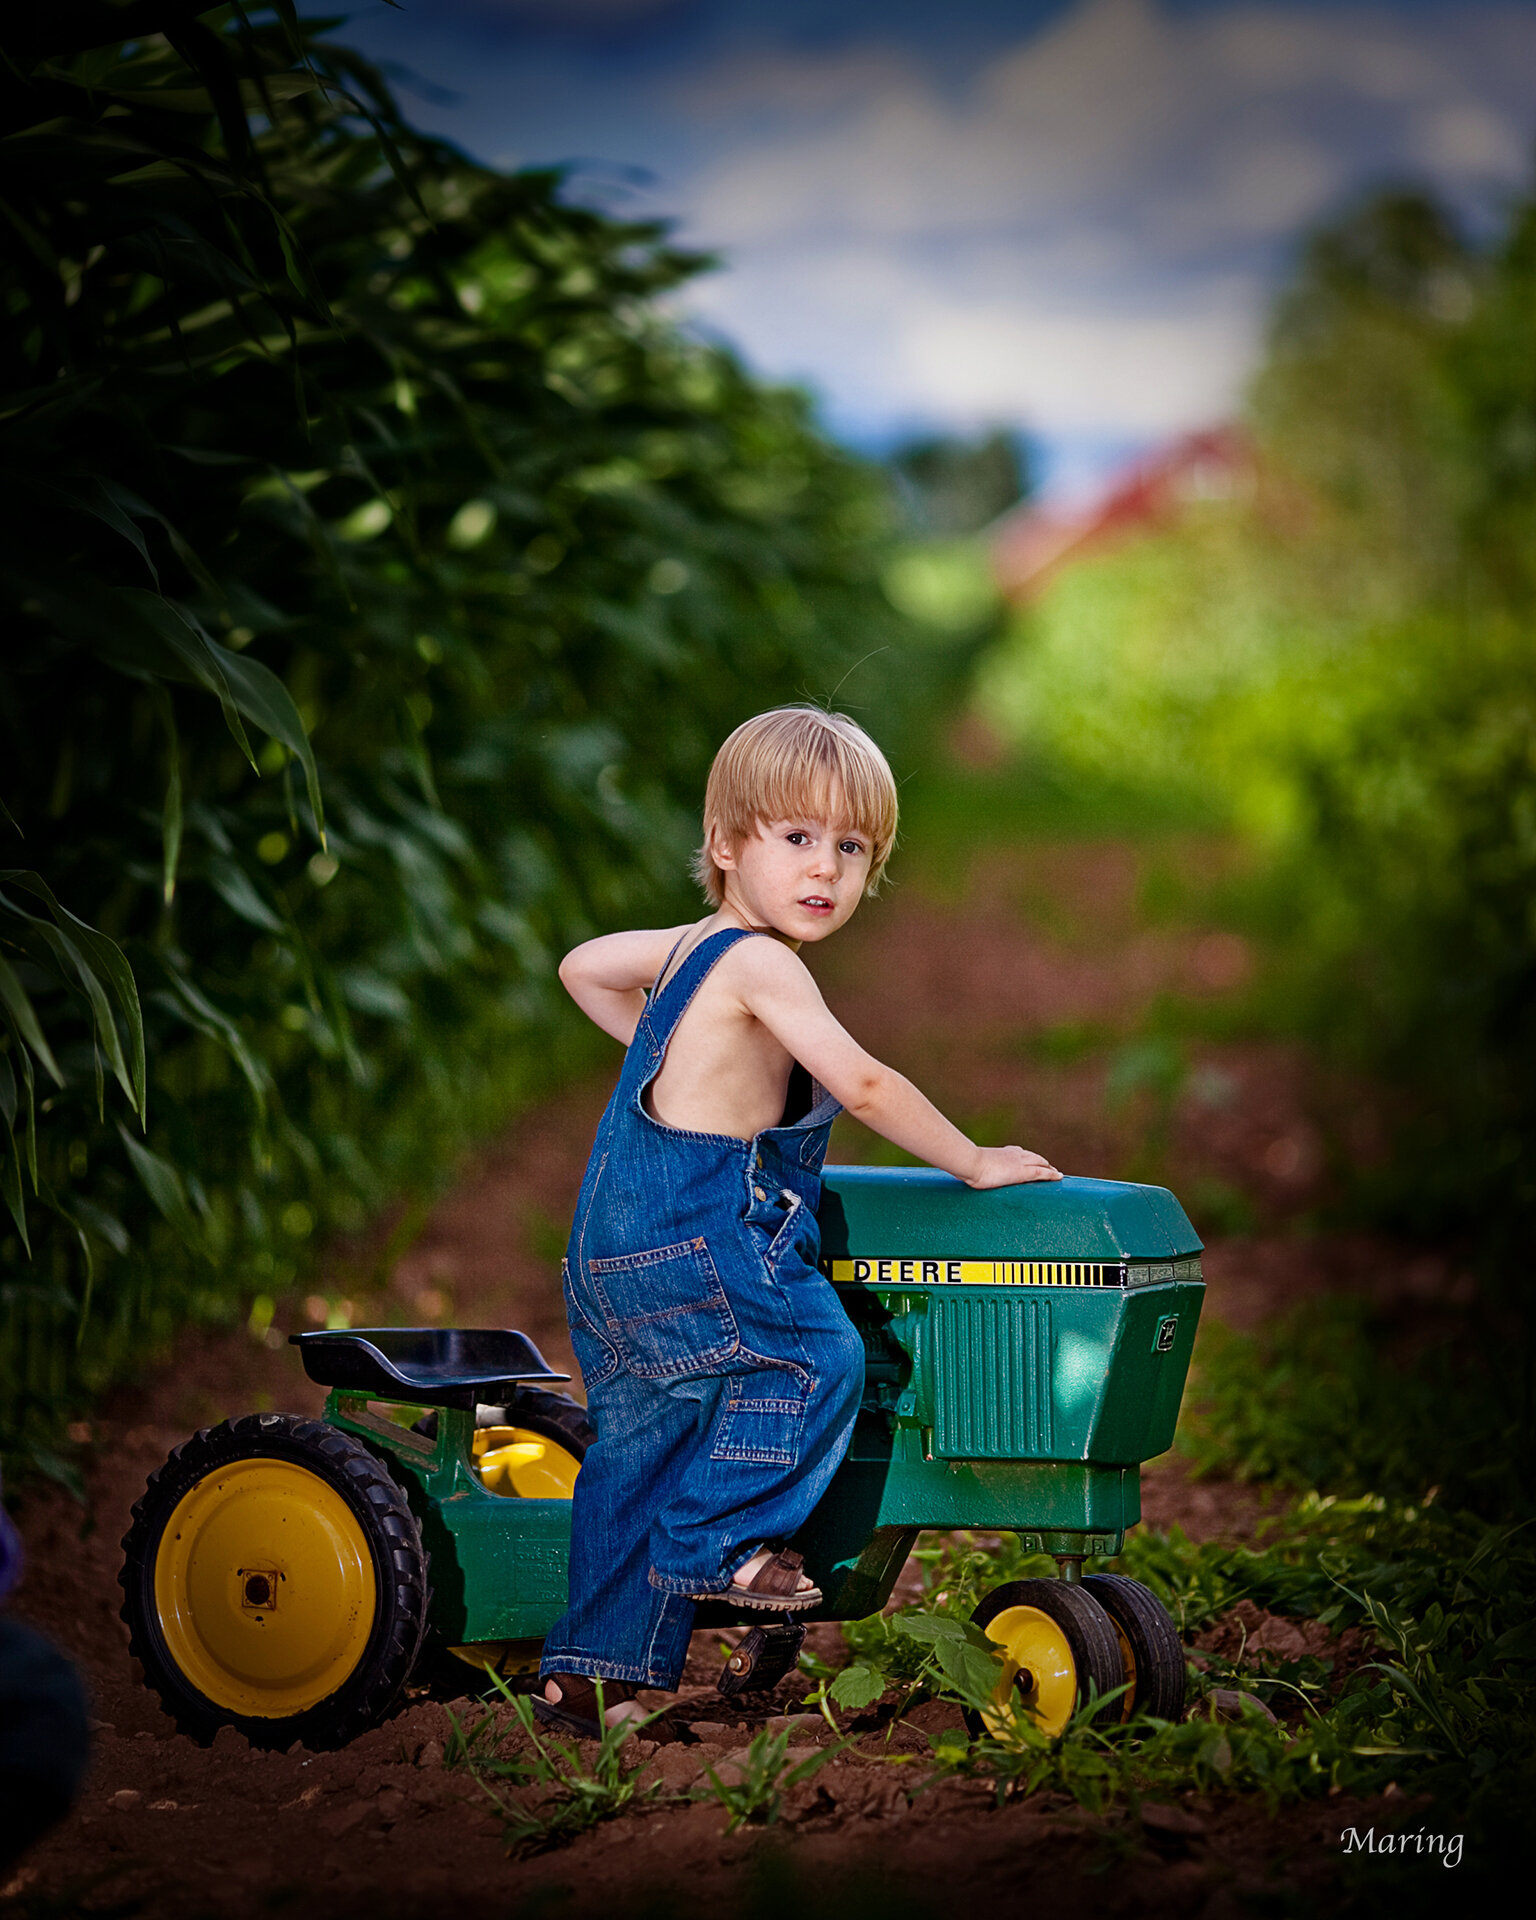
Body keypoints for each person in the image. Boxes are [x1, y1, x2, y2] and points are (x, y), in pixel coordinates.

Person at [536, 706, 1059, 1735]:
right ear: (726, 844)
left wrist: (668, 1056)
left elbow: (581, 966)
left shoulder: (691, 949)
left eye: (853, 847)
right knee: (815, 1358)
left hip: (609, 1254)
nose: (826, 867)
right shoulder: (765, 964)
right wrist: (973, 1160)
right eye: (797, 836)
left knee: (639, 1452)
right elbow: (862, 1082)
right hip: (699, 1240)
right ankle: (719, 1543)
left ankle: (585, 1679)